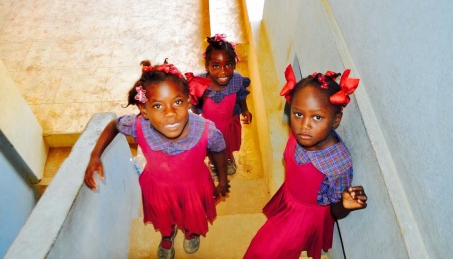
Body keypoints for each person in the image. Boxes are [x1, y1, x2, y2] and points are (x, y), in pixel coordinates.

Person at [84, 60, 230, 259]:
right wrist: (95, 155)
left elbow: (220, 150)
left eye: (177, 102)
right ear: (144, 110)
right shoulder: (138, 126)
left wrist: (223, 180)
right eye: (158, 105)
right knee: (164, 215)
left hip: (194, 187)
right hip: (158, 188)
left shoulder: (206, 130)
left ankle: (190, 231)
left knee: (192, 213)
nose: (170, 113)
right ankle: (168, 235)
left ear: (189, 100)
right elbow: (114, 126)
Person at [243, 65, 368, 259]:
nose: (304, 125)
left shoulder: (338, 163)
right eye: (298, 114)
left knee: (260, 252)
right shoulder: (302, 134)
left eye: (317, 117)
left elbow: (336, 211)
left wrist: (344, 204)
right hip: (289, 196)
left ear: (336, 120)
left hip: (302, 218)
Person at [187, 33, 252, 178]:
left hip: (229, 124)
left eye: (228, 64)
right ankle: (213, 163)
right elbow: (194, 103)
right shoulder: (200, 83)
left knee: (227, 145)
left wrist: (245, 110)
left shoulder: (237, 80)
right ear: (207, 66)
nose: (223, 71)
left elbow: (241, 95)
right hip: (210, 127)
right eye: (216, 66)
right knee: (212, 148)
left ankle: (228, 160)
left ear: (235, 64)